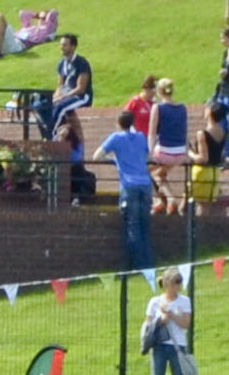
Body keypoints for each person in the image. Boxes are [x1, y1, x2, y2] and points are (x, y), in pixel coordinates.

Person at [95, 109, 153, 273]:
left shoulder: (115, 137)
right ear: (133, 123)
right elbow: (148, 158)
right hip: (145, 184)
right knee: (145, 225)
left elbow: (96, 156)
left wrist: (115, 160)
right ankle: (149, 264)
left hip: (129, 185)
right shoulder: (141, 137)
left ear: (118, 123)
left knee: (132, 226)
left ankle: (138, 266)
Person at [142, 266, 193, 375]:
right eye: (175, 282)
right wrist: (161, 320)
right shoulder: (154, 302)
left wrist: (171, 314)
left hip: (178, 347)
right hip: (159, 347)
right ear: (167, 284)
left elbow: (186, 323)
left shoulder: (185, 301)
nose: (178, 285)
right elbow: (147, 326)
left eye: (180, 282)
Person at [146, 78, 189, 214]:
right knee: (160, 174)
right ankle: (167, 201)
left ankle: (161, 200)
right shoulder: (182, 108)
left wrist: (150, 153)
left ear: (159, 91)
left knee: (144, 170)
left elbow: (152, 133)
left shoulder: (158, 107)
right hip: (180, 152)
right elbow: (184, 131)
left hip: (165, 152)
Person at [41, 33, 91, 139]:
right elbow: (60, 86)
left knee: (60, 107)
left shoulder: (81, 63)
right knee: (43, 105)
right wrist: (56, 96)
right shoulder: (62, 63)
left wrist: (64, 96)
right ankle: (48, 132)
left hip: (81, 97)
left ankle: (51, 136)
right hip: (66, 96)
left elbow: (81, 88)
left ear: (73, 47)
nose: (61, 47)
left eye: (64, 45)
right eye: (61, 45)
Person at [188, 99, 229, 211]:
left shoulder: (202, 133)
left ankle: (193, 223)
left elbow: (203, 158)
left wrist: (190, 153)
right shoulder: (223, 132)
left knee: (202, 206)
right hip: (215, 172)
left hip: (202, 172)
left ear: (210, 112)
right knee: (206, 205)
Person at [54, 108, 95, 202]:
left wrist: (62, 140)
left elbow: (76, 158)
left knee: (76, 171)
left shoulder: (75, 147)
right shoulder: (60, 143)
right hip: (65, 172)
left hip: (73, 172)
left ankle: (76, 198)